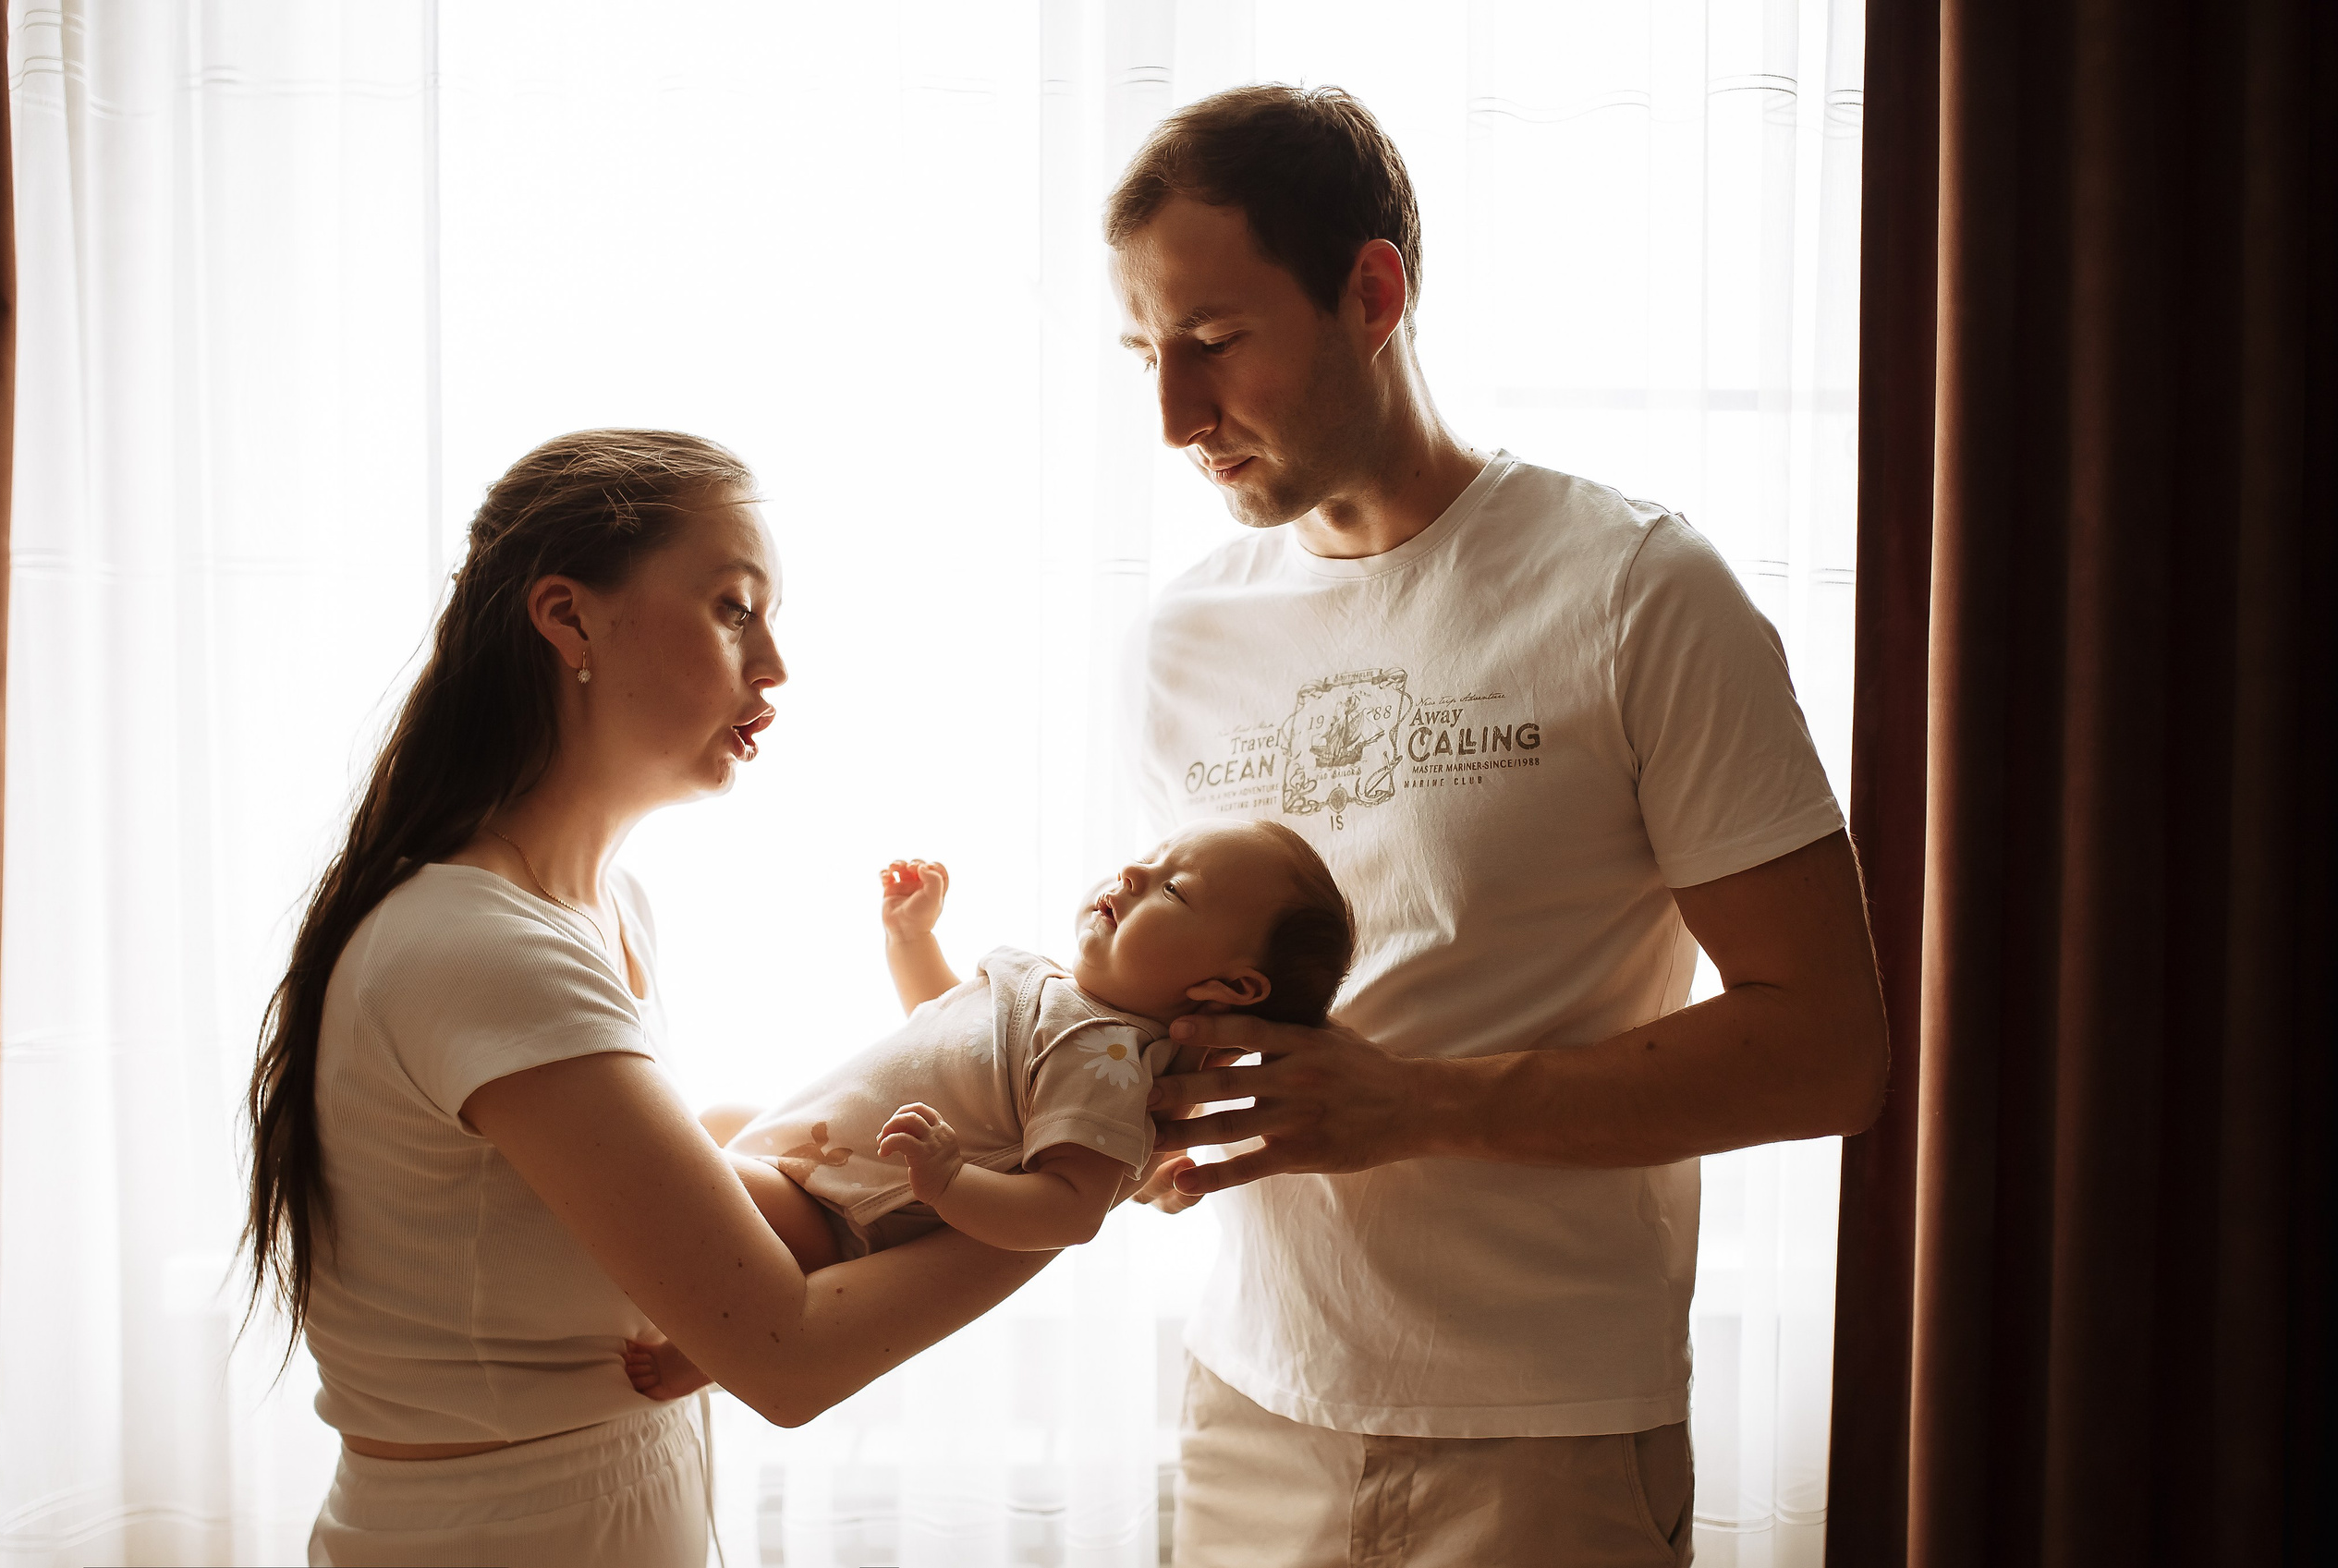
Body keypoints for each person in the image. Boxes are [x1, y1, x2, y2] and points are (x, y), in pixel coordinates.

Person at [1107, 87, 1891, 1566]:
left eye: (1212, 343)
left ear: (1373, 291)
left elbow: (1830, 1049)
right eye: (1147, 355)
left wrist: (1424, 1105)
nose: (1174, 417)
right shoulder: (1183, 642)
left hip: (1549, 1446)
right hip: (1248, 1407)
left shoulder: (1634, 588)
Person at [241, 430, 1057, 1568]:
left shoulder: (605, 911)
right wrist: (1074, 1189)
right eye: (734, 607)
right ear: (568, 619)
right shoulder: (476, 943)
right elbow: (786, 1357)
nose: (773, 664)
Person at [620, 820, 1358, 1403]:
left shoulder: (1109, 1063)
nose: (1133, 873)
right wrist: (912, 940)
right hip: (815, 1152)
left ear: (1231, 987)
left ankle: (699, 1355)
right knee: (717, 1120)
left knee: (694, 1175)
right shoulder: (1051, 991)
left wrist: (949, 1180)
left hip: (834, 1208)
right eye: (1148, 856)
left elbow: (1070, 1208)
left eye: (1174, 889)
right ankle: (701, 1338)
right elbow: (942, 1035)